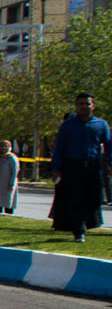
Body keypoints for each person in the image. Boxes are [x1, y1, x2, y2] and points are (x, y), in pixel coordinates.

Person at [50, 92, 111, 243]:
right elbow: (59, 148)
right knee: (75, 199)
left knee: (95, 198)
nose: (84, 106)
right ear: (77, 106)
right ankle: (78, 231)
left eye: (87, 104)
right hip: (72, 166)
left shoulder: (101, 125)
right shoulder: (68, 125)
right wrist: (56, 169)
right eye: (81, 104)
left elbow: (109, 145)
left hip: (93, 166)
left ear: (93, 106)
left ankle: (86, 221)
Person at [0, 139, 20, 215]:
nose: (3, 148)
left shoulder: (12, 158)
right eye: (2, 146)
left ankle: (9, 215)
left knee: (8, 202)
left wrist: (11, 183)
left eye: (6, 146)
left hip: (8, 184)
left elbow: (14, 172)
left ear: (9, 147)